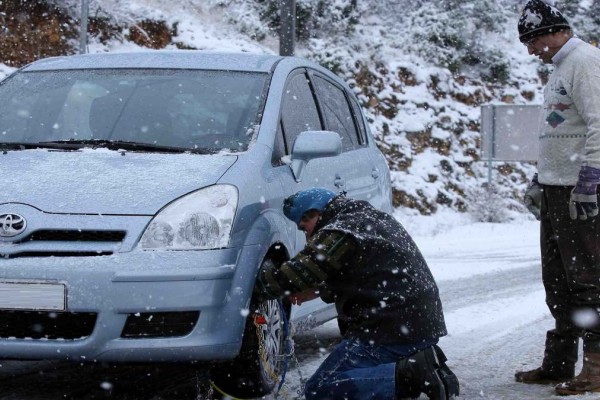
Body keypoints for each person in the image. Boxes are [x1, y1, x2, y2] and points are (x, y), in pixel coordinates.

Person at [255, 188, 459, 399]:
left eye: (303, 226)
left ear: (313, 212)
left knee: (320, 388)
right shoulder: (368, 218)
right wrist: (319, 290)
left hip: (388, 330)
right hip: (418, 325)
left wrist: (254, 286)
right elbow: (370, 274)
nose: (306, 234)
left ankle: (413, 374)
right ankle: (423, 365)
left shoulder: (340, 230)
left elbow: (300, 271)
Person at [516, 0, 600, 396]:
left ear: (556, 31)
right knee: (558, 280)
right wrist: (541, 177)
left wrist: (591, 178)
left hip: (579, 189)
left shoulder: (584, 62)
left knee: (588, 280)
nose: (531, 50)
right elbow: (560, 130)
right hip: (556, 188)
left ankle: (597, 368)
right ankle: (559, 363)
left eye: (533, 41)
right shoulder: (560, 70)